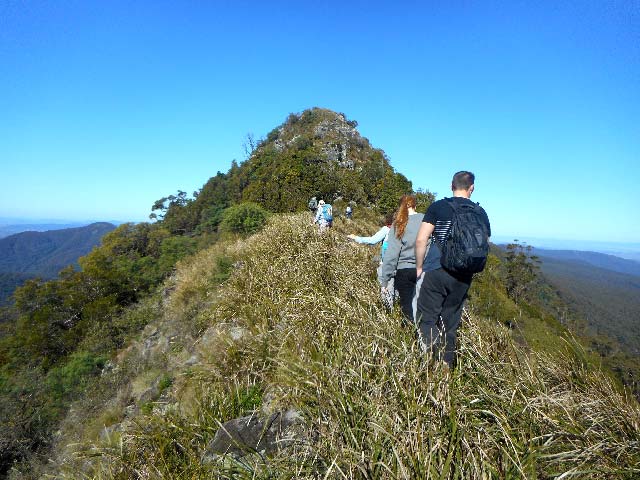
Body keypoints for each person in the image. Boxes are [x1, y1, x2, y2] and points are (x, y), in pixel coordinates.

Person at [414, 171, 491, 368]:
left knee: (427, 318)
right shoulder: (481, 213)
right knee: (450, 323)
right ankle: (446, 369)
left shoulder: (438, 207)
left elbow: (422, 239)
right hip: (463, 276)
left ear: (451, 185)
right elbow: (484, 244)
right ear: (471, 188)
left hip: (436, 269)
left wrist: (420, 266)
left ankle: (431, 364)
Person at [379, 195, 425, 324]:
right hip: (424, 270)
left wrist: (385, 280)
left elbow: (391, 255)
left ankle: (410, 339)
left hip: (403, 271)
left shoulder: (398, 223)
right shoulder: (425, 220)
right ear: (415, 205)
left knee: (407, 309)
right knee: (423, 308)